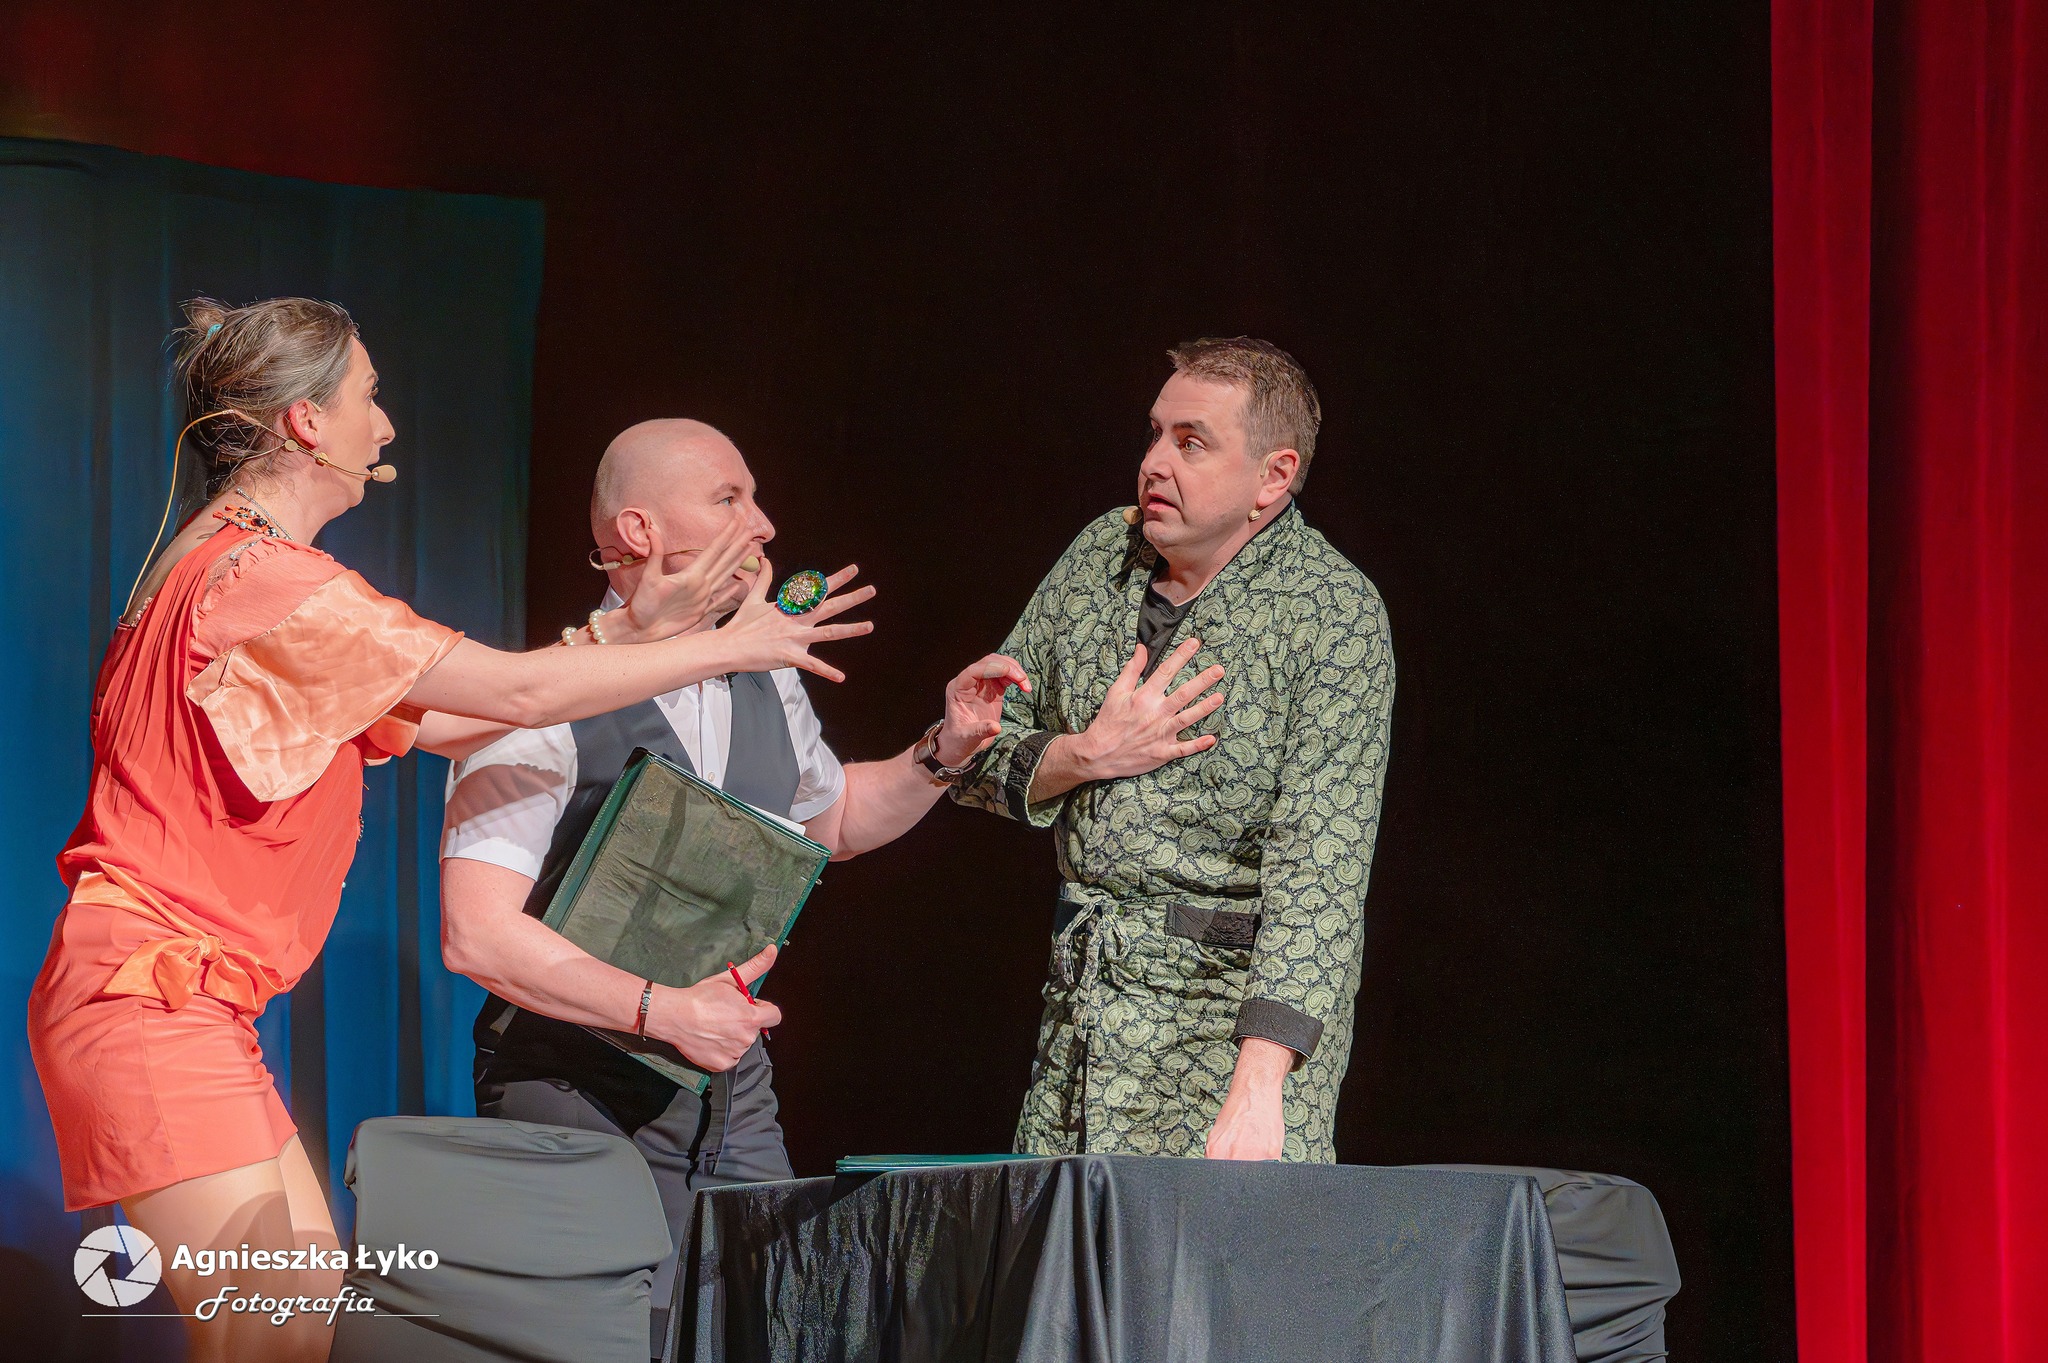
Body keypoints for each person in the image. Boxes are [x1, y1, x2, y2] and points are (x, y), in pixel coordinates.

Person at [25, 299, 872, 1363]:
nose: (384, 426)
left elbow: (461, 720)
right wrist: (728, 645)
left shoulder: (220, 562)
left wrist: (630, 628)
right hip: (150, 998)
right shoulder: (275, 585)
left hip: (186, 1006)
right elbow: (513, 695)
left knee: (296, 1328)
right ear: (305, 423)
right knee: (269, 1335)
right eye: (368, 398)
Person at [436, 418, 1022, 1350]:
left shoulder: (765, 680)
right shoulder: (538, 699)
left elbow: (832, 822)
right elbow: (477, 934)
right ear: (639, 531)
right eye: (728, 499)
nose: (765, 523)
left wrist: (942, 750)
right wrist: (663, 1011)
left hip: (729, 1096)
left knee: (767, 1328)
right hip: (576, 1092)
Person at [949, 337, 1395, 1163]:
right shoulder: (1101, 557)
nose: (1154, 462)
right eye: (1154, 434)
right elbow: (972, 763)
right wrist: (1084, 754)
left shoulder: (1332, 613)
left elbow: (1322, 875)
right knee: (1063, 1246)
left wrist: (1261, 1085)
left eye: (1191, 443)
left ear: (1273, 477)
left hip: (1222, 1045)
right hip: (1079, 1030)